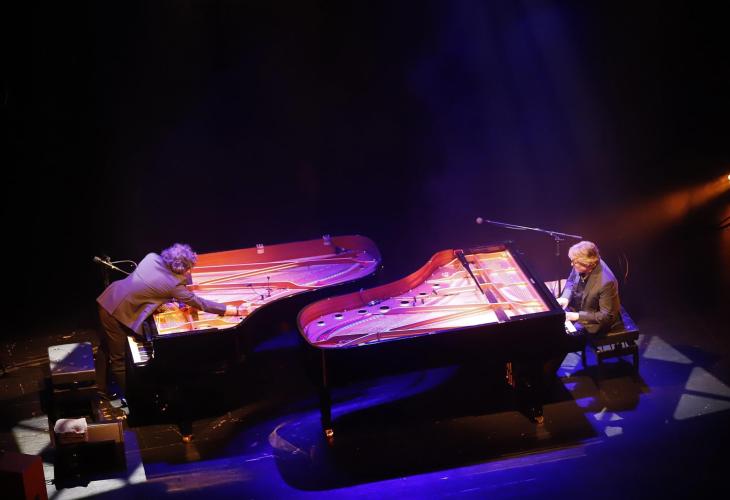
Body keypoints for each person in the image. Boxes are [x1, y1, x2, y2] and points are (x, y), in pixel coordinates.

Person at [95, 243, 245, 400]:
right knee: (119, 360)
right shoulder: (174, 285)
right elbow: (200, 303)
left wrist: (162, 301)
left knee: (105, 347)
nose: (190, 272)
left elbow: (148, 286)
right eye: (189, 268)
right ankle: (134, 401)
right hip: (114, 312)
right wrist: (232, 310)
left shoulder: (151, 257)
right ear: (180, 267)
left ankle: (99, 389)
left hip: (111, 296)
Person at [557, 240, 624, 336]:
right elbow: (571, 281)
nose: (572, 264)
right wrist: (565, 298)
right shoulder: (579, 262)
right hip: (578, 307)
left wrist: (577, 316)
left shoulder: (607, 282)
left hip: (594, 320)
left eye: (574, 262)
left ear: (588, 265)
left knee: (564, 337)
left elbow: (606, 316)